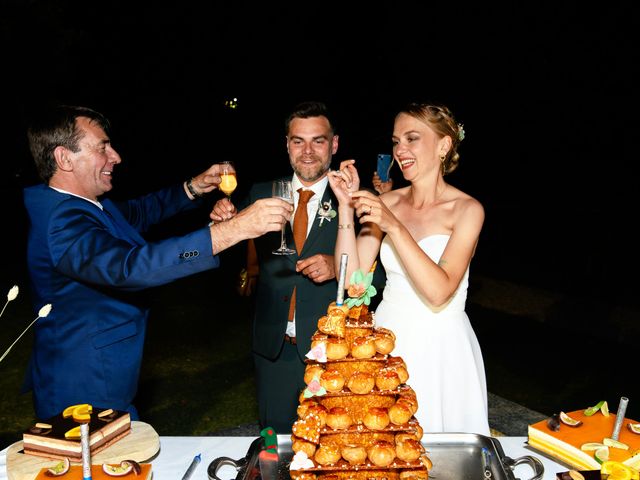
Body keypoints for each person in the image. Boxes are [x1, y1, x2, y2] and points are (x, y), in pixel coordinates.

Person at [22, 104, 292, 421]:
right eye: (102, 147)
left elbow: (141, 212)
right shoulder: (62, 220)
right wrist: (232, 231)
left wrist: (194, 187)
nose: (116, 156)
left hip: (105, 375)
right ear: (64, 158)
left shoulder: (84, 205)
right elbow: (129, 267)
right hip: (83, 387)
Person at [328, 102, 490, 435]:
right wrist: (345, 208)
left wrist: (396, 228)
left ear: (443, 145)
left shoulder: (467, 210)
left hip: (441, 349)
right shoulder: (389, 202)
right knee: (383, 446)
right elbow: (351, 281)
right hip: (387, 341)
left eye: (412, 138)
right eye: (395, 140)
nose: (400, 149)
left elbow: (438, 291)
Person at [210, 101, 343, 432]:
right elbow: (224, 247)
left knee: (331, 446)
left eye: (318, 140)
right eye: (298, 141)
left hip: (331, 350)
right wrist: (221, 219)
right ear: (287, 145)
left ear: (334, 144)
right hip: (273, 348)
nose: (307, 151)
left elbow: (382, 275)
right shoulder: (261, 192)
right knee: (274, 442)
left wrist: (338, 266)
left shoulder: (352, 198)